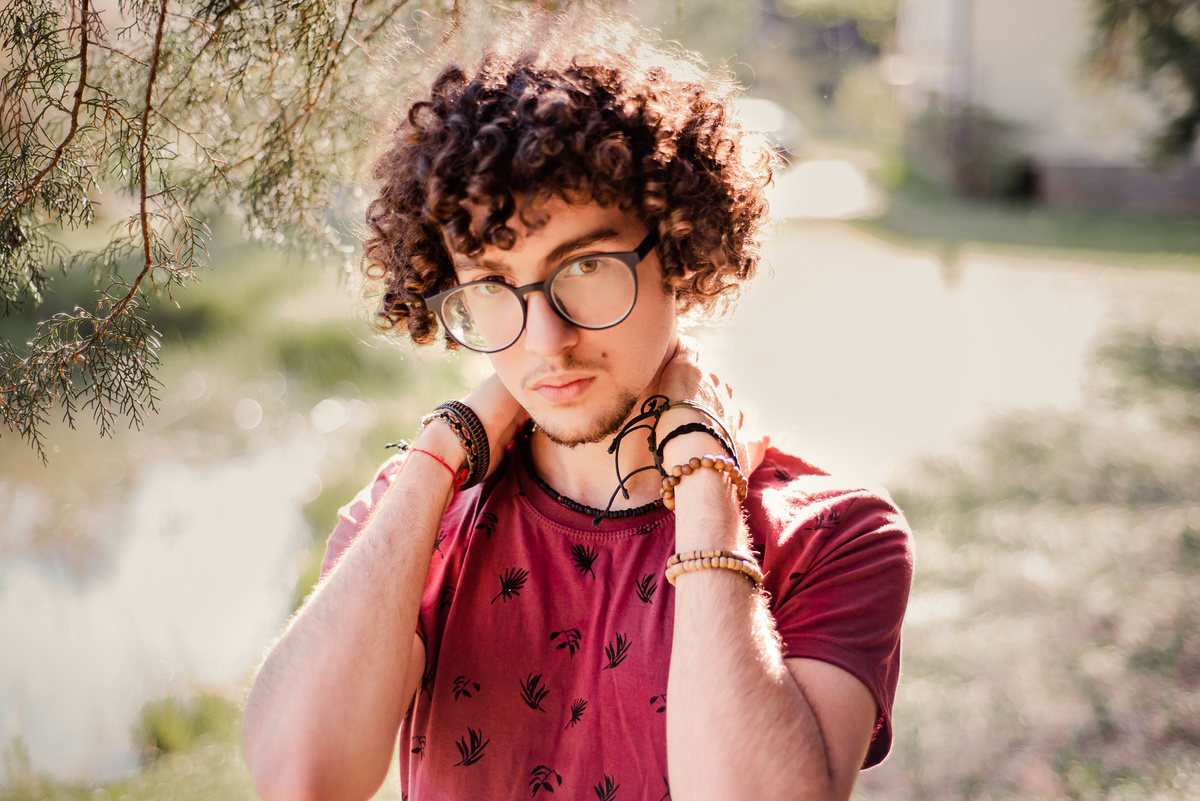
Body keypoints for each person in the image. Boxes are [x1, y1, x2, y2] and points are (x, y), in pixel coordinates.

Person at [241, 12, 913, 801]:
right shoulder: (418, 517)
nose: (546, 338)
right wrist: (443, 446)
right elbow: (300, 777)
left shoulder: (834, 535)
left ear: (680, 248)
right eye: (494, 285)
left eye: (585, 264)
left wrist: (702, 478)